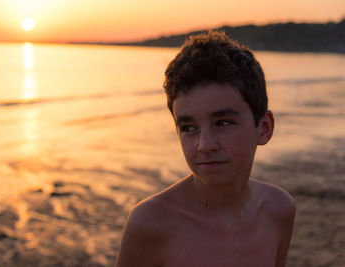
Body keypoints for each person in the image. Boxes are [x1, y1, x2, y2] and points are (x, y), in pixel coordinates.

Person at [115, 31, 296, 267]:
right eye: (189, 127)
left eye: (223, 123)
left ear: (264, 127)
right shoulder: (151, 222)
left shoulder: (278, 209)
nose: (205, 145)